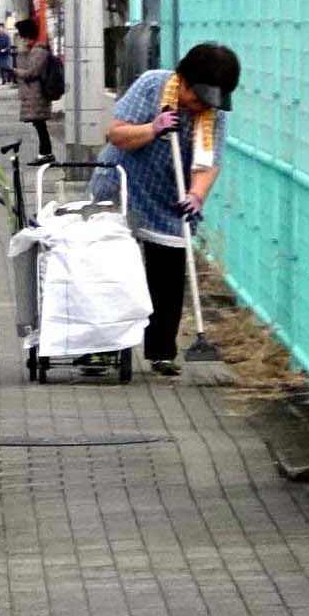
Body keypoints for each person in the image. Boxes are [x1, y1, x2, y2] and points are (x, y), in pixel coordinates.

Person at [92, 42, 239, 379]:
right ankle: (101, 348)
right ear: (183, 80)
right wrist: (153, 128)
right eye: (197, 97)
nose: (201, 106)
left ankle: (160, 351)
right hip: (121, 185)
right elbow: (117, 134)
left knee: (170, 273)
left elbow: (208, 163)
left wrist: (197, 195)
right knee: (110, 271)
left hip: (168, 197)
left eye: (209, 102)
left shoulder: (211, 116)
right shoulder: (152, 85)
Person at [10, 17, 58, 161]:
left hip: (37, 94)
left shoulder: (38, 52)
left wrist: (16, 72)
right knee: (39, 125)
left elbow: (32, 72)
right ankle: (44, 152)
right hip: (35, 94)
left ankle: (46, 153)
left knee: (40, 125)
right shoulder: (35, 50)